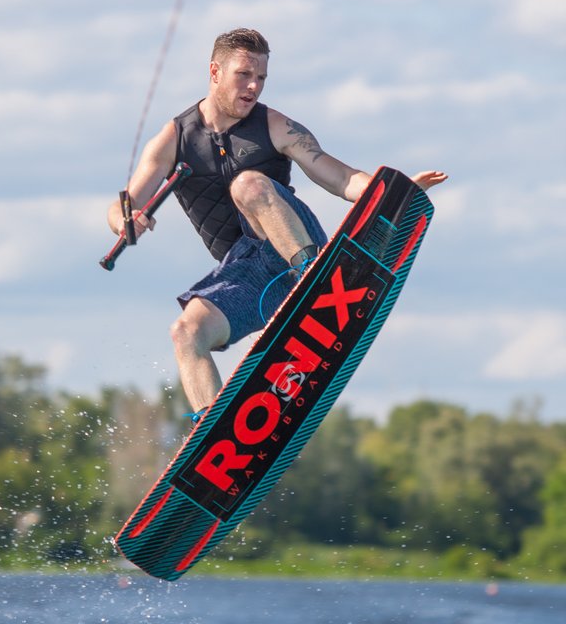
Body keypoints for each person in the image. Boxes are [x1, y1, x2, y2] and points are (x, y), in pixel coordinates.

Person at [107, 28, 447, 420]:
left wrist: (395, 192)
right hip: (248, 275)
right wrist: (126, 221)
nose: (254, 86)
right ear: (215, 72)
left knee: (247, 184)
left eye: (261, 78)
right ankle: (214, 431)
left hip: (296, 247)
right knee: (186, 333)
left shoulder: (275, 126)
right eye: (244, 75)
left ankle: (313, 283)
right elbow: (124, 206)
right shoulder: (174, 138)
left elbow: (341, 177)